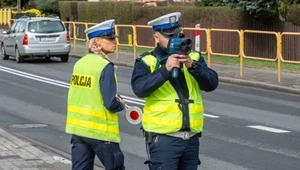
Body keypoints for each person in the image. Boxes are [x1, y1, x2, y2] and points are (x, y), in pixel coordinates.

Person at [131, 12, 219, 170]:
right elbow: (139, 89)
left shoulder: (193, 58)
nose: (175, 39)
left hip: (191, 139)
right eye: (169, 35)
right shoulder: (147, 60)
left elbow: (212, 83)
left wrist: (193, 66)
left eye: (178, 34)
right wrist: (165, 70)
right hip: (163, 139)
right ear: (156, 37)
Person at [65, 19, 126, 170]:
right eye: (110, 38)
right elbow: (110, 103)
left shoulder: (80, 63)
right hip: (100, 133)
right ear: (97, 41)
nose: (114, 42)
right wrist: (121, 104)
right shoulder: (105, 66)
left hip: (79, 131)